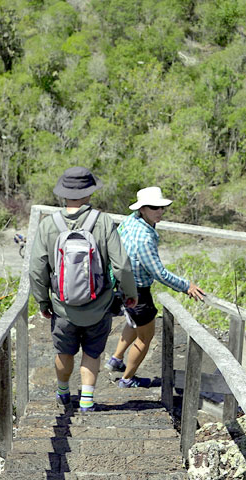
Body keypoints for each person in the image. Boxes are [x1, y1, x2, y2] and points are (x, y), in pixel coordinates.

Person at [30, 167, 137, 413]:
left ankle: (63, 390)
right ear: (89, 193)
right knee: (92, 350)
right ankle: (87, 400)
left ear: (63, 194)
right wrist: (130, 293)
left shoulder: (48, 225)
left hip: (62, 307)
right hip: (98, 306)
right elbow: (121, 264)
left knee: (64, 350)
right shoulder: (103, 222)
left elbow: (37, 269)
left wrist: (43, 301)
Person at [108, 186, 206, 388]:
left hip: (122, 284)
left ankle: (116, 359)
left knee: (133, 322)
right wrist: (185, 286)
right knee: (145, 337)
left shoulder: (130, 221)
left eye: (162, 208)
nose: (159, 212)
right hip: (137, 291)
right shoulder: (144, 237)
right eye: (154, 208)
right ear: (142, 208)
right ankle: (127, 379)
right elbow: (158, 272)